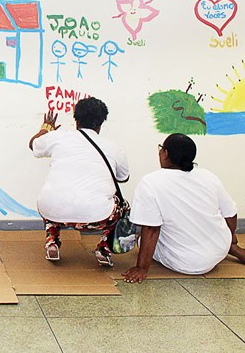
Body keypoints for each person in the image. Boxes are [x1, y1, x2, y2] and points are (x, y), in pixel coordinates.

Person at [122, 134, 245, 282]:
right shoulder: (208, 176)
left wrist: (141, 268)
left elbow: (151, 229)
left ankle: (224, 247)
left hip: (187, 263)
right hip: (219, 250)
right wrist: (228, 240)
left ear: (165, 154)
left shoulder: (151, 182)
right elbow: (231, 214)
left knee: (141, 240)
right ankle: (231, 248)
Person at [29, 97, 130, 266]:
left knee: (51, 198)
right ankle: (104, 248)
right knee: (123, 206)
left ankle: (52, 241)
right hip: (97, 218)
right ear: (101, 122)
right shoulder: (113, 147)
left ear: (75, 118)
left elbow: (33, 144)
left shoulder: (58, 137)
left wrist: (46, 129)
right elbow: (123, 178)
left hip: (52, 211)